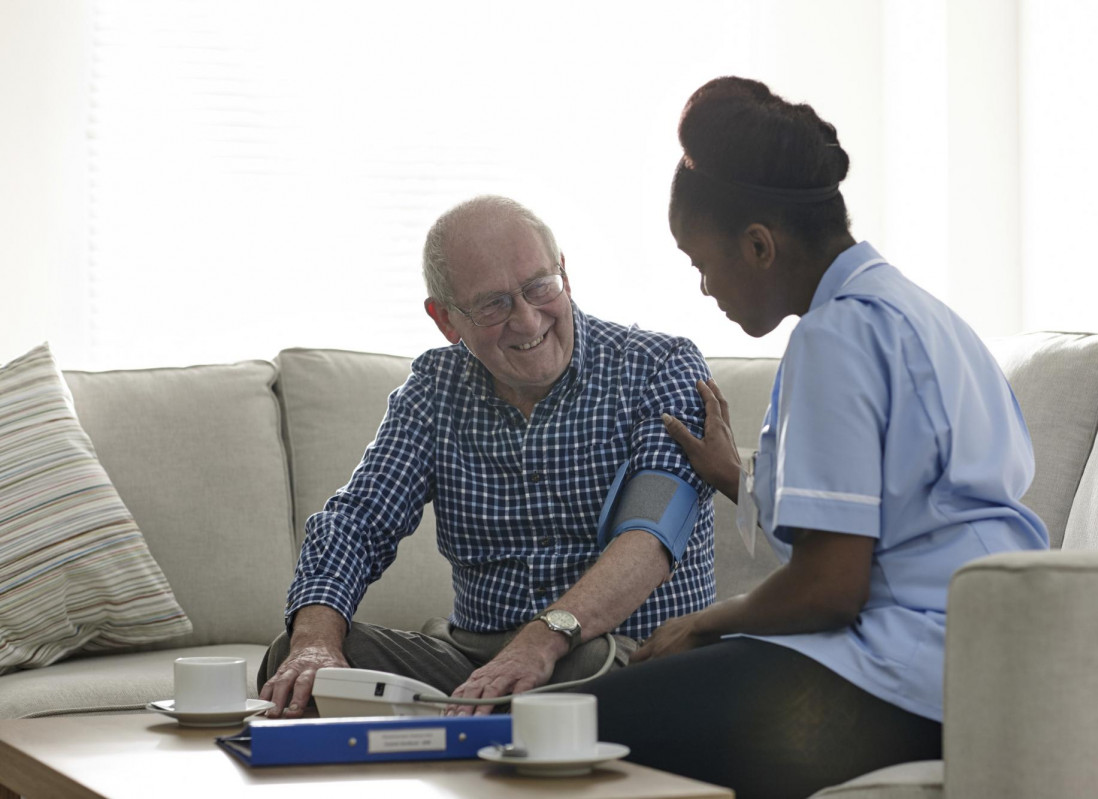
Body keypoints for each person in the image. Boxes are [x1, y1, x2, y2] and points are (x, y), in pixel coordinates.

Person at [580, 77, 1050, 798]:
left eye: (702, 264)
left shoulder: (835, 336)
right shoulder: (920, 313)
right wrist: (735, 474)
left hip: (917, 675)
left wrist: (703, 623)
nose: (706, 288)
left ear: (760, 245)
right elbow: (903, 508)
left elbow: (831, 587)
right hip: (996, 661)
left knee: (566, 724)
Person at [258, 195, 716, 718]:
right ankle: (481, 727)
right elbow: (357, 522)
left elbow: (651, 533)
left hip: (609, 650)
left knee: (592, 679)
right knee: (293, 665)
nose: (526, 320)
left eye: (539, 286)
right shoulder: (434, 389)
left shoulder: (660, 367)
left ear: (564, 272)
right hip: (472, 661)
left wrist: (543, 640)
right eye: (494, 305)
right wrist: (315, 640)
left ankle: (467, 730)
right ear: (446, 320)